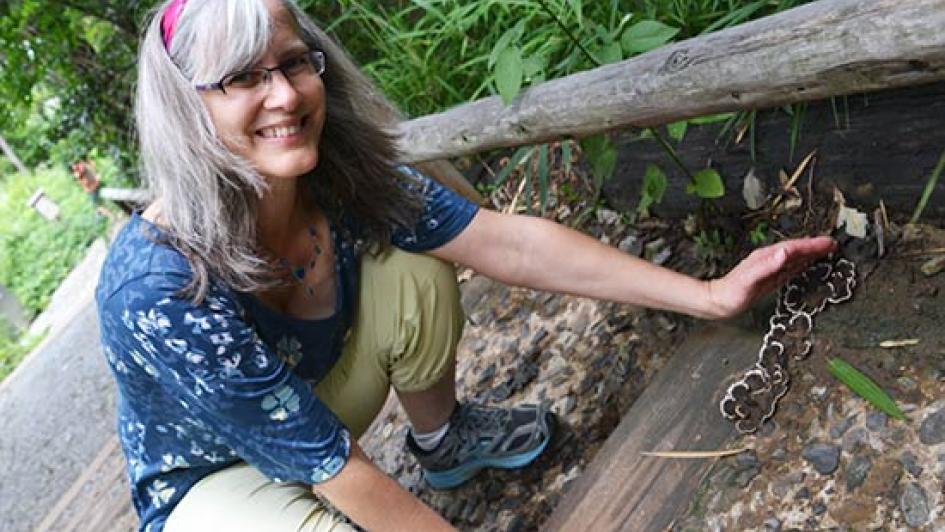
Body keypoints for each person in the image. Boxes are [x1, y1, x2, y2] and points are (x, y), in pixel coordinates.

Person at [95, 0, 837, 530]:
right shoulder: (156, 286)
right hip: (219, 476)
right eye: (240, 78)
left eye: (293, 63)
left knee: (414, 263)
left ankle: (442, 440)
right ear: (187, 109)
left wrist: (708, 295)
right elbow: (339, 466)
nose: (284, 95)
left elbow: (503, 241)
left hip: (313, 401)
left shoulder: (342, 178)